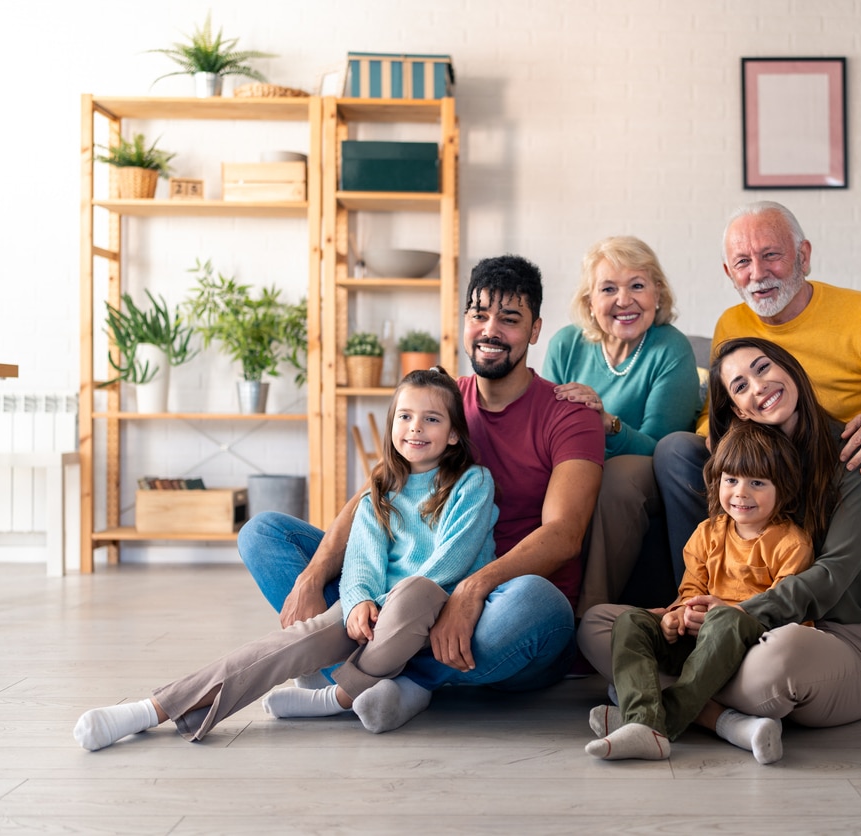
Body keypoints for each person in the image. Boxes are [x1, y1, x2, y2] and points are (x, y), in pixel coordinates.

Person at [238, 254, 604, 726]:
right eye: (479, 315)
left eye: (509, 319)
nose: (490, 330)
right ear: (464, 321)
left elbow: (564, 533)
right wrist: (313, 576)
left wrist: (471, 591)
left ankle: (364, 679)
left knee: (538, 602)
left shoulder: (568, 413)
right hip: (404, 603)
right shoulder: (439, 403)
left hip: (500, 612)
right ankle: (397, 676)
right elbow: (378, 494)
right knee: (264, 533)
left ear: (535, 330)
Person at [73, 368, 499, 750]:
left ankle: (336, 697)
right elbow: (361, 562)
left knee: (413, 591)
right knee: (282, 647)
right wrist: (357, 604)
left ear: (453, 434)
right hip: (378, 618)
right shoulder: (378, 491)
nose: (415, 428)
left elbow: (451, 562)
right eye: (405, 416)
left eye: (431, 418)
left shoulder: (472, 482)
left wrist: (385, 606)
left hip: (435, 611)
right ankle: (152, 710)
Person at [653, 201, 861, 721]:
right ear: (729, 274)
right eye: (743, 262)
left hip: (850, 461)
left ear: (803, 256)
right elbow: (722, 411)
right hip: (768, 463)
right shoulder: (733, 321)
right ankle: (705, 602)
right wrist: (718, 441)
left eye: (771, 255)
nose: (759, 273)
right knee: (678, 450)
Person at [580, 338, 861, 761]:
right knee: (600, 624)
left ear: (791, 369)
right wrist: (682, 615)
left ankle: (644, 708)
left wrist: (742, 613)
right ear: (739, 409)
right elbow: (702, 575)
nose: (758, 387)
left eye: (763, 368)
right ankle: (728, 723)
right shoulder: (738, 468)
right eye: (740, 386)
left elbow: (834, 574)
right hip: (719, 635)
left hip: (823, 638)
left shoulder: (857, 450)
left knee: (776, 664)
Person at [583, 419, 817, 763]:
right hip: (700, 642)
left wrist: (725, 611)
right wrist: (677, 616)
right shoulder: (708, 533)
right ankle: (646, 720)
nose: (740, 493)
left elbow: (785, 608)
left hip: (751, 646)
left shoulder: (790, 542)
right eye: (731, 480)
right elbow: (691, 589)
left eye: (757, 482)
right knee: (631, 622)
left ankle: (653, 722)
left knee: (725, 619)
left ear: (784, 487)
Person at [541, 235, 702, 615]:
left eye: (637, 286)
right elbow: (543, 423)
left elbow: (664, 451)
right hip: (573, 464)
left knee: (617, 474)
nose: (624, 300)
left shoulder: (670, 348)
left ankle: (589, 616)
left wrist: (606, 422)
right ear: (589, 302)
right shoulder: (566, 344)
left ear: (658, 294)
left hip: (642, 472)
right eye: (608, 288)